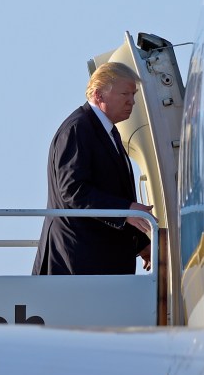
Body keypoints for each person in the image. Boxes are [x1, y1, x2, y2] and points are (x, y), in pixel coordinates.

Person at [32, 62, 154, 275]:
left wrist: (140, 243)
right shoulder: (78, 129)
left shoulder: (108, 132)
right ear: (99, 94)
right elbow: (72, 190)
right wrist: (125, 210)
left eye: (133, 94)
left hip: (97, 264)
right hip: (77, 266)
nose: (132, 101)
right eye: (125, 93)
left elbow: (111, 193)